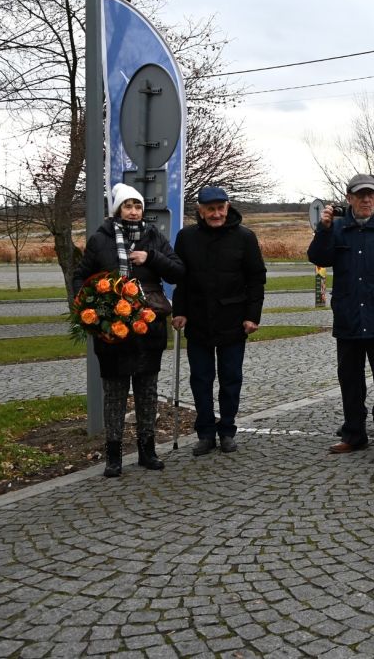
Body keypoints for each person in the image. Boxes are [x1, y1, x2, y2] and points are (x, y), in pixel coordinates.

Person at [74, 183, 185, 477]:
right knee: (114, 392)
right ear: (117, 209)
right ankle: (113, 455)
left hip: (149, 325)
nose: (134, 212)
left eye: (137, 206)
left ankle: (147, 450)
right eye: (128, 206)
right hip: (113, 328)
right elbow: (81, 276)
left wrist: (151, 258)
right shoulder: (100, 240)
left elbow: (178, 271)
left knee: (147, 391)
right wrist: (89, 312)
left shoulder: (153, 236)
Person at [308, 173, 374, 459]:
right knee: (350, 381)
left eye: (371, 194)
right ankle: (354, 434)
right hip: (348, 318)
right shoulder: (338, 228)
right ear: (349, 198)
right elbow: (319, 258)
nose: (366, 199)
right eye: (360, 195)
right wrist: (324, 229)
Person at [172, 186, 267, 456]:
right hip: (198, 319)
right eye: (210, 209)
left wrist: (252, 315)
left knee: (230, 378)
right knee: (200, 379)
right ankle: (205, 433)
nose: (216, 213)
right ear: (200, 211)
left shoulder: (245, 237)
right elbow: (182, 280)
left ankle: (227, 430)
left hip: (233, 320)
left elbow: (256, 279)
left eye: (220, 208)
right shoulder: (186, 237)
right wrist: (179, 311)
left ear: (227, 207)